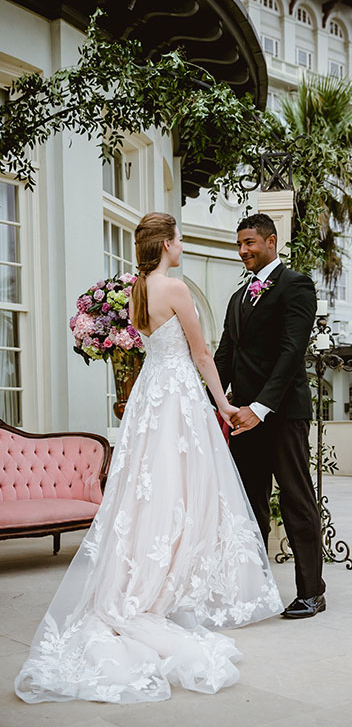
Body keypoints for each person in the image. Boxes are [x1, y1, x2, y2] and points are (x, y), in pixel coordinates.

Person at [15, 212, 282, 705]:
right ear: (165, 245)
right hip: (177, 397)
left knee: (147, 490)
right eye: (178, 240)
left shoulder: (136, 291)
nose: (180, 247)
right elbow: (203, 355)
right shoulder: (174, 288)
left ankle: (148, 577)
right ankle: (171, 582)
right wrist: (224, 405)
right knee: (184, 487)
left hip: (148, 398)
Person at [214, 213, 326, 619]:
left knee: (296, 500)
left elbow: (291, 352)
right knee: (251, 506)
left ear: (271, 241)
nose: (243, 250)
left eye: (250, 242)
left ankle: (312, 590)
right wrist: (209, 400)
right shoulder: (237, 297)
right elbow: (226, 355)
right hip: (243, 417)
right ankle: (256, 588)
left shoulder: (296, 286)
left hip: (281, 415)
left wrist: (261, 407)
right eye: (240, 243)